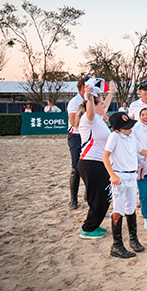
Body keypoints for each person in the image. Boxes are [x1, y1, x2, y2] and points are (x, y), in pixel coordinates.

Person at [103, 112, 147, 258]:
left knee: (131, 208)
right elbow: (105, 157)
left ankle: (133, 239)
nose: (130, 129)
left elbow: (142, 151)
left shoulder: (131, 136)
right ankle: (117, 244)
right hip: (119, 177)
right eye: (126, 127)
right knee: (118, 210)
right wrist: (112, 175)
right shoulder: (114, 137)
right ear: (118, 129)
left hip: (132, 176)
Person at [75, 83, 115, 238]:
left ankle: (94, 225)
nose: (104, 104)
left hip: (99, 163)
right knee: (98, 197)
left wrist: (111, 92)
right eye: (102, 102)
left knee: (104, 196)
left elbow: (103, 107)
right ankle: (88, 228)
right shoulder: (89, 118)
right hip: (90, 163)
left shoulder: (99, 118)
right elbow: (91, 110)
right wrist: (89, 96)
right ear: (93, 105)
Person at [67, 78, 87, 210]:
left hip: (88, 135)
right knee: (75, 168)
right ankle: (73, 200)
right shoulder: (75, 102)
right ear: (82, 87)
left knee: (89, 164)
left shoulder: (92, 100)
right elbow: (74, 123)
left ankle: (88, 192)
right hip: (76, 136)